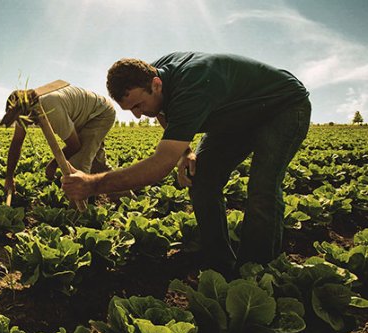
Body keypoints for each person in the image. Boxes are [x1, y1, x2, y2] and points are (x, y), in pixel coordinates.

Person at [61, 52, 311, 272]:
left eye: (139, 105)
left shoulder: (193, 85)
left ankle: (256, 271)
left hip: (283, 107)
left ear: (156, 84)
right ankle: (219, 263)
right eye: (131, 110)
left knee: (262, 188)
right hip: (234, 117)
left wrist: (92, 184)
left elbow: (160, 165)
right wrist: (186, 152)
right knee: (200, 179)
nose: (138, 115)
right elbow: (161, 111)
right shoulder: (153, 76)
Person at [0, 84, 116, 196]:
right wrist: (9, 177)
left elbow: (75, 145)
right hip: (82, 117)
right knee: (98, 165)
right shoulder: (24, 111)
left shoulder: (50, 108)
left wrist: (53, 164)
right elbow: (16, 143)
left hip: (99, 113)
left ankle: (77, 212)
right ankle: (123, 195)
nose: (25, 124)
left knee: (79, 163)